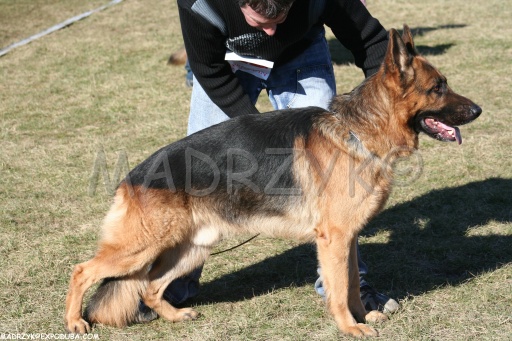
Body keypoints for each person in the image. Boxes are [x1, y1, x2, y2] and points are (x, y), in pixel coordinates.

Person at [158, 0, 399, 315]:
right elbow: (209, 71)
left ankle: (350, 288)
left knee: (337, 181)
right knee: (198, 173)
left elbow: (373, 42)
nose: (270, 30)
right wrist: (257, 134)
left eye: (280, 18)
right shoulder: (200, 3)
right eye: (260, 22)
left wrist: (386, 100)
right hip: (226, 63)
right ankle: (169, 286)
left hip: (300, 54)